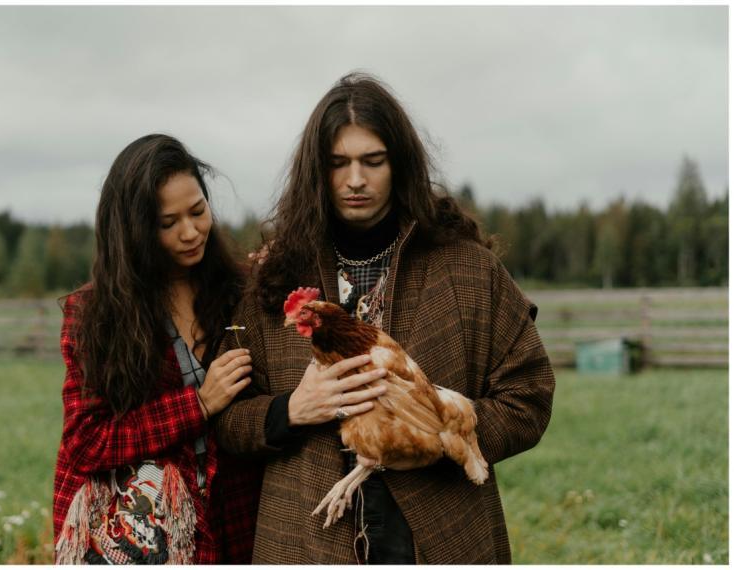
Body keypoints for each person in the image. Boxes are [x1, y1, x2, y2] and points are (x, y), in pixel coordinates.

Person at [214, 73, 555, 564]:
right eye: (338, 164)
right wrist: (288, 411)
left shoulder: (466, 269)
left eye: (373, 161)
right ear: (316, 171)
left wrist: (442, 439)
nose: (356, 179)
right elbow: (227, 419)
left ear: (400, 165)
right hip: (307, 540)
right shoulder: (275, 278)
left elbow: (530, 395)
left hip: (440, 533)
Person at [53, 134, 262, 564]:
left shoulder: (239, 292)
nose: (190, 232)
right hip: (140, 530)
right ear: (135, 231)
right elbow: (86, 442)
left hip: (236, 516)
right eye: (168, 223)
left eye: (198, 211)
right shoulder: (97, 315)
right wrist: (199, 405)